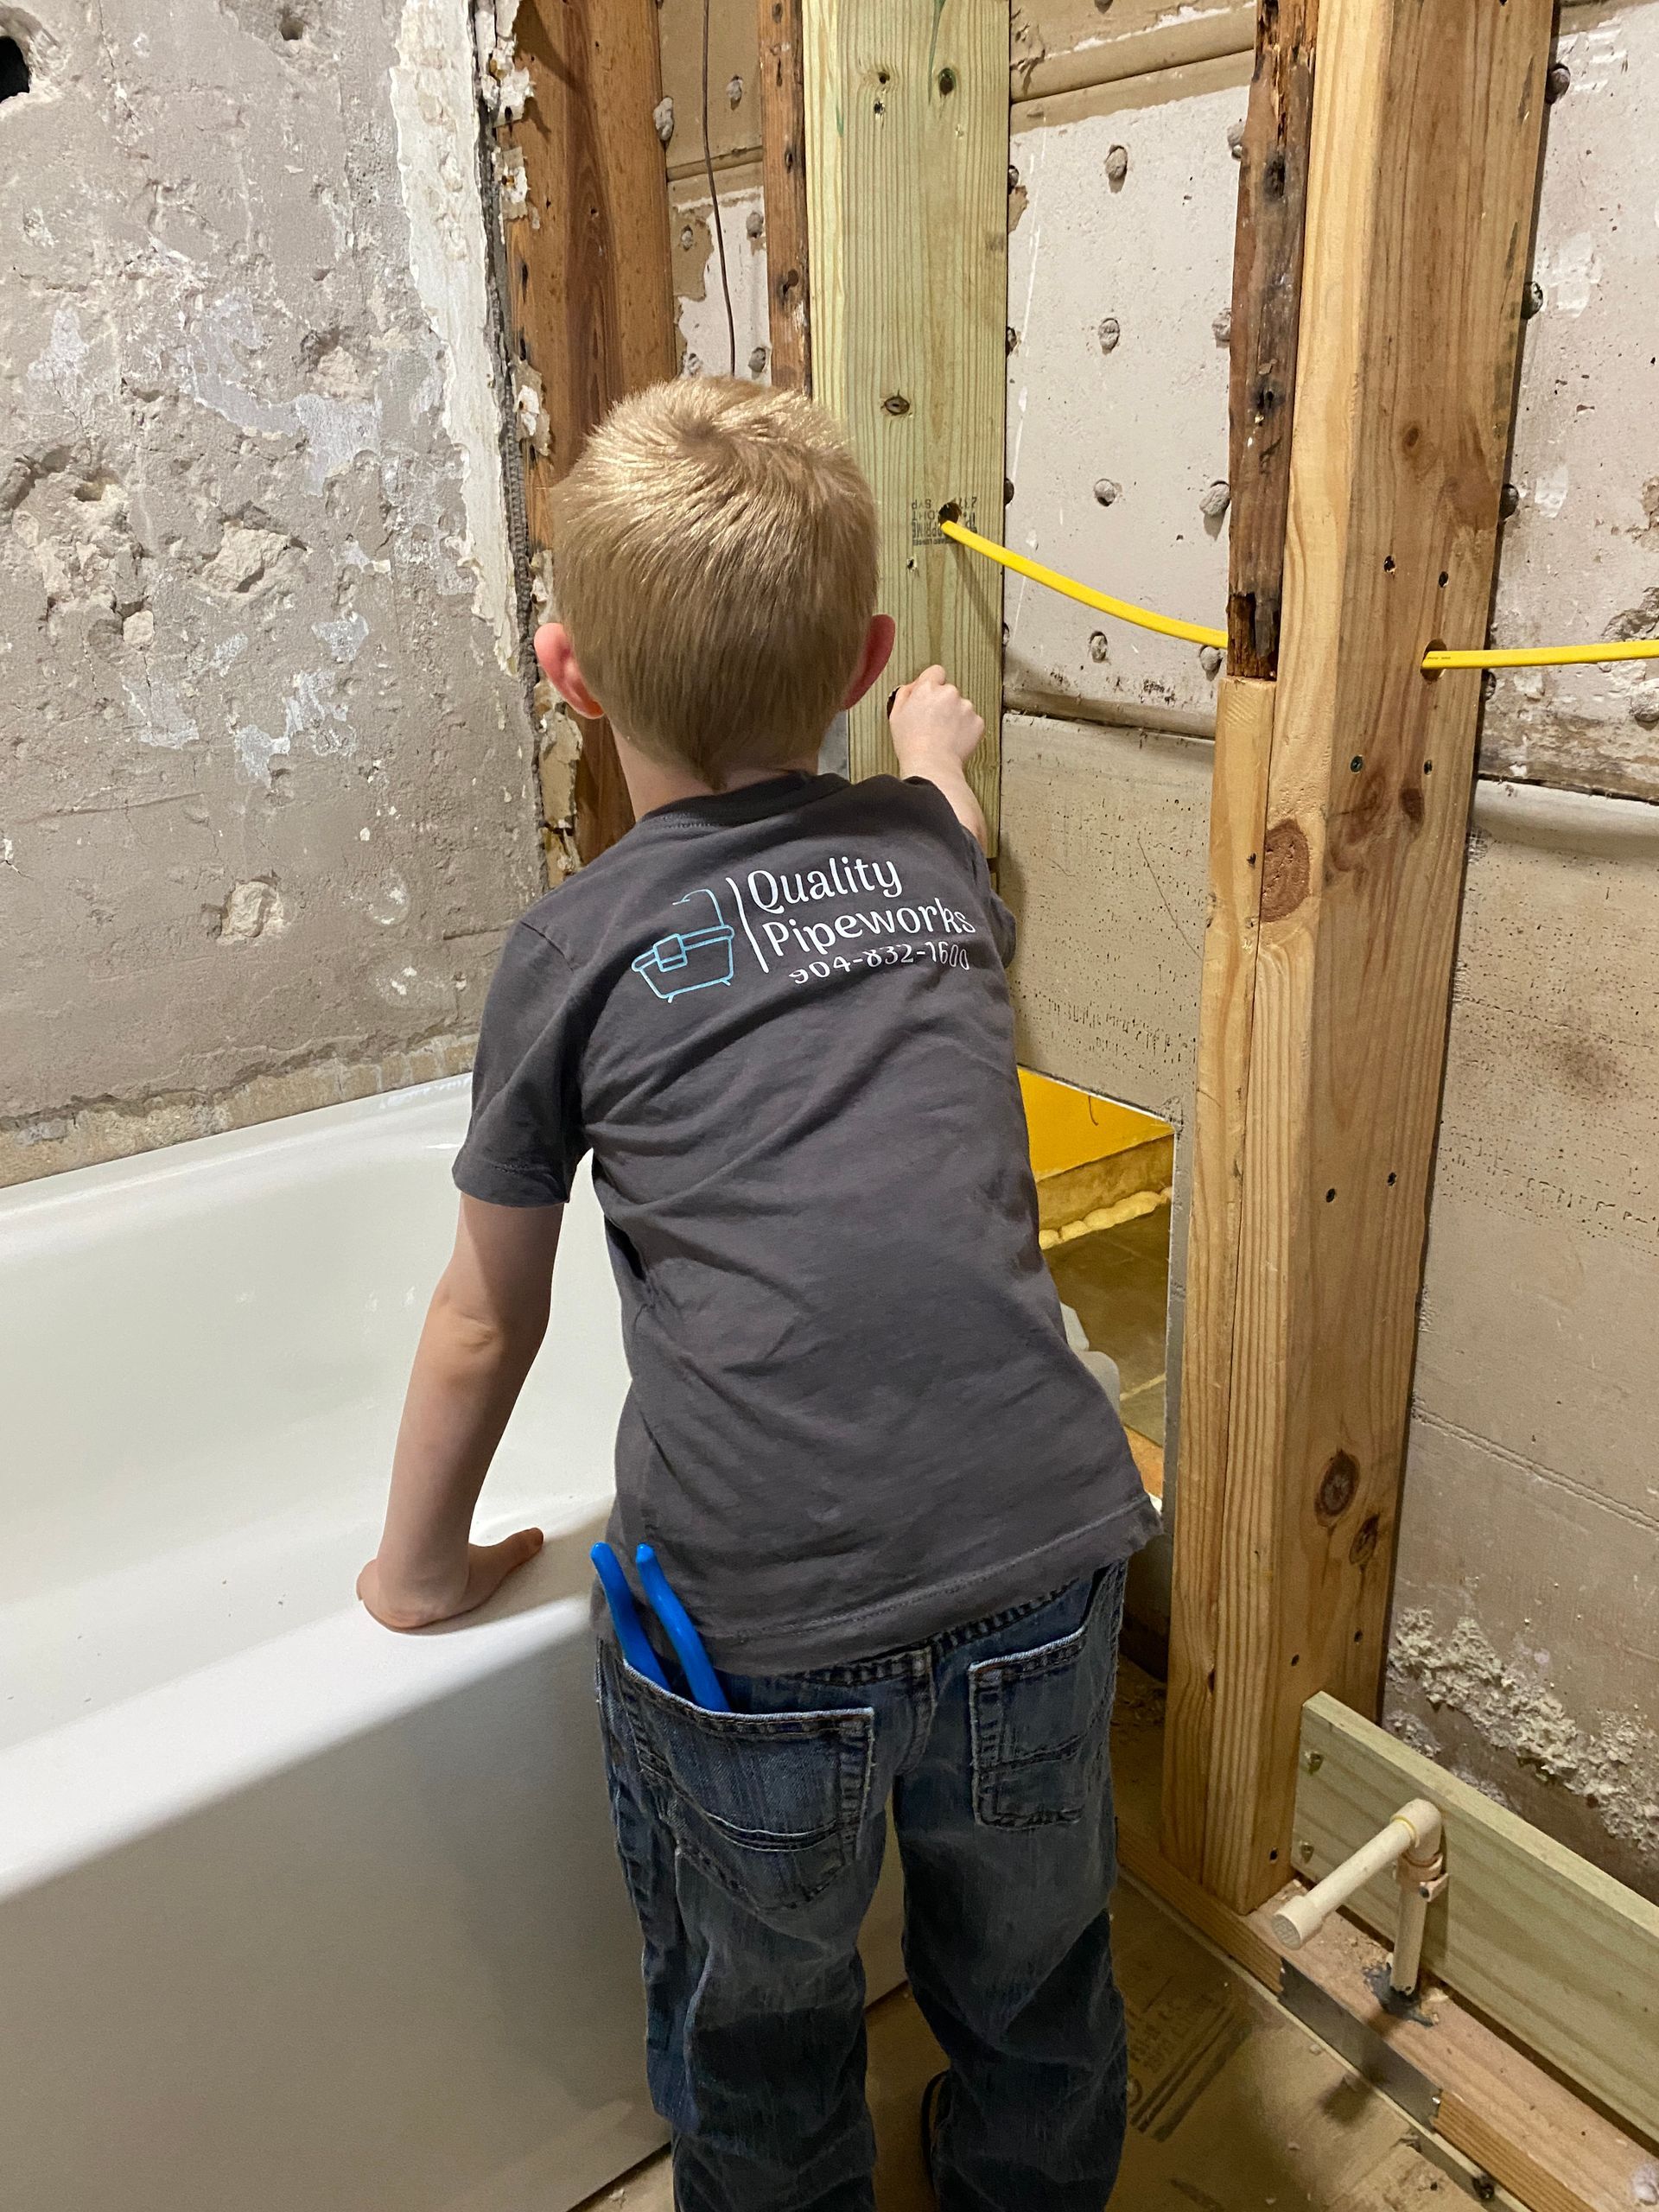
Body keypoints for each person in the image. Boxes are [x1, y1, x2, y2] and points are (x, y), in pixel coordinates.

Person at [358, 377, 1158, 2212]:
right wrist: (936, 734)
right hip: (1050, 1560)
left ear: (568, 671)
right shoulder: (929, 864)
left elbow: (489, 1314)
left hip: (760, 1636)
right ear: (866, 655)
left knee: (761, 2025)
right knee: (1040, 1984)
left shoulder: (568, 948)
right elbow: (942, 807)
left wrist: (417, 1569)